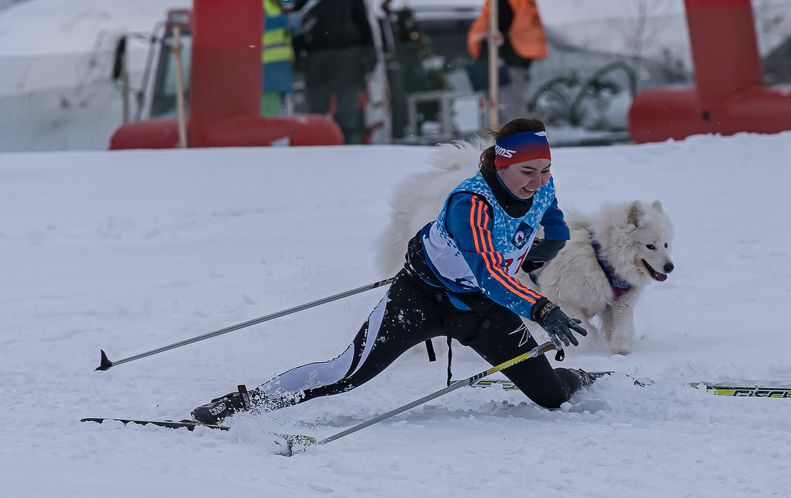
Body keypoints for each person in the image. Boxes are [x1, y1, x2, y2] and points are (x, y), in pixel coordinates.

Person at [191, 117, 594, 424]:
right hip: (420, 299)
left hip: (482, 312)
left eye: (545, 170)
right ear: (503, 164)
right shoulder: (470, 203)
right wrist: (541, 308)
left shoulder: (542, 185)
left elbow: (554, 224)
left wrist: (544, 251)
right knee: (344, 374)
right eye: (528, 171)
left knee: (554, 397)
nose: (538, 181)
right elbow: (489, 272)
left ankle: (582, 375)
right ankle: (242, 403)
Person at [289, 0, 377, 143]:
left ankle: (346, 144)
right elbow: (296, 23)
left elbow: (297, 25)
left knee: (341, 107)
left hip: (337, 55)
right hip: (330, 55)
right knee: (324, 107)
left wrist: (297, 52)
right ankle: (330, 142)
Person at [467, 0, 548, 122]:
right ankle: (511, 136)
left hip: (507, 64)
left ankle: (514, 137)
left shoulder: (505, 4)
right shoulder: (521, 5)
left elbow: (502, 23)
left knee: (508, 110)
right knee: (508, 108)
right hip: (511, 62)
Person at [261, 0, 295, 117]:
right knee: (269, 110)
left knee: (280, 108)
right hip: (266, 64)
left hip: (280, 63)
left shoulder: (275, 3)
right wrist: (284, 21)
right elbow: (252, 23)